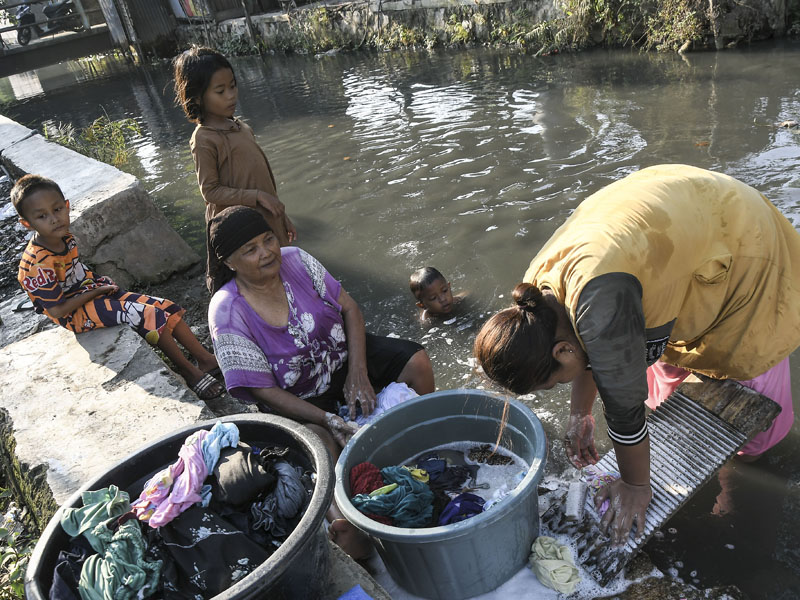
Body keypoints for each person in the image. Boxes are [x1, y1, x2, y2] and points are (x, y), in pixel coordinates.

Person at [473, 164, 800, 546]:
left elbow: (624, 407)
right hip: (670, 228)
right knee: (659, 375)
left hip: (739, 240)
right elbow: (590, 344)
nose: (560, 385)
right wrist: (580, 412)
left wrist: (635, 485)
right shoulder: (534, 302)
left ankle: (742, 474)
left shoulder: (602, 308)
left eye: (553, 382)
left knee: (747, 398)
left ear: (561, 351)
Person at [206, 206, 435, 558]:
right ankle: (345, 526)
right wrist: (326, 417)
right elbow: (263, 390)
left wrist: (358, 371)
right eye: (250, 249)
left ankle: (425, 443)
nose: (267, 252)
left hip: (341, 356)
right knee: (320, 445)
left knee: (416, 362)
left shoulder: (296, 260)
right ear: (230, 261)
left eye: (268, 239)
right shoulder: (227, 311)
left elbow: (350, 309)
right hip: (294, 394)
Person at [13, 174, 224, 400]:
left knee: (166, 307)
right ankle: (187, 370)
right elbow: (57, 311)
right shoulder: (37, 265)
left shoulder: (65, 237)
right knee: (146, 314)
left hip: (88, 292)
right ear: (27, 224)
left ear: (67, 206)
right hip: (72, 313)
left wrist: (98, 285)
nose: (54, 219)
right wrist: (97, 291)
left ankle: (205, 359)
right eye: (42, 216)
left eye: (57, 210)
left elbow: (76, 272)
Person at [172, 46, 297, 292]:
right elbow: (210, 191)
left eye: (233, 86)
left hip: (266, 220)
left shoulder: (240, 127)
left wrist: (282, 217)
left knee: (283, 276)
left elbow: (263, 183)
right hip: (241, 232)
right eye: (220, 91)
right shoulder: (204, 139)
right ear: (196, 97)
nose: (231, 95)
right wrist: (257, 197)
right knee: (256, 284)